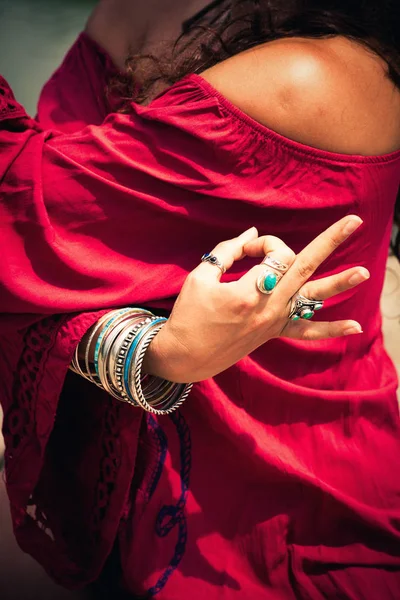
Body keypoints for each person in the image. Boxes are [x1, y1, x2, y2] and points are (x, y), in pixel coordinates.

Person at [1, 1, 400, 598]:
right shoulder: (143, 4)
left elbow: (20, 221)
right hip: (112, 496)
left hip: (280, 520)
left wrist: (150, 353)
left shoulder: (311, 79)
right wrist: (153, 355)